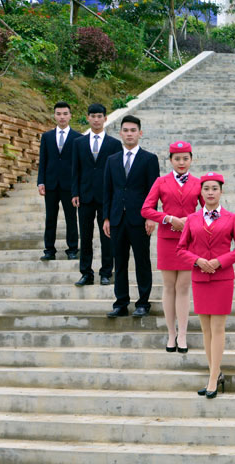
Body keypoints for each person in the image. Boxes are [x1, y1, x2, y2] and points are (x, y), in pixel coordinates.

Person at [177, 172, 235, 398]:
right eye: (206, 188)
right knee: (206, 329)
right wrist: (197, 260)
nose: (210, 192)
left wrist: (220, 261)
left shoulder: (231, 218)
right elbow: (180, 249)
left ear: (221, 191)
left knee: (217, 328)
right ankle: (214, 373)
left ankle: (212, 377)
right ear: (201, 192)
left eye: (214, 189)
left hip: (221, 278)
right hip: (199, 277)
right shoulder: (192, 219)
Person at [141, 141, 202, 353]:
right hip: (167, 239)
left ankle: (183, 334)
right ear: (170, 161)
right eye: (177, 158)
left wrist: (191, 220)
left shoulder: (198, 183)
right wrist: (167, 218)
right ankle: (171, 334)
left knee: (183, 288)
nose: (181, 162)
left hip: (189, 241)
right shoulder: (161, 181)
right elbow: (146, 209)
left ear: (191, 159)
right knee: (168, 287)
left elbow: (207, 210)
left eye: (185, 158)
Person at [102, 115, 160, 318]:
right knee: (120, 262)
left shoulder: (149, 159)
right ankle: (121, 303)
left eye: (133, 130)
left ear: (140, 133)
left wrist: (151, 217)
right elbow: (108, 190)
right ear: (120, 133)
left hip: (140, 219)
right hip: (117, 218)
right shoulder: (112, 160)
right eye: (125, 130)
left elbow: (154, 191)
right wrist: (106, 218)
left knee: (142, 260)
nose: (129, 133)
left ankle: (143, 302)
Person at [71, 103, 122, 287]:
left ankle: (106, 272)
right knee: (85, 236)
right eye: (93, 116)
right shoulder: (78, 143)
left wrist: (117, 196)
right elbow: (75, 169)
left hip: (106, 198)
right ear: (88, 118)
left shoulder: (114, 144)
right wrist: (75, 192)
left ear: (105, 118)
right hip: (84, 196)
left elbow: (118, 174)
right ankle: (86, 273)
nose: (96, 119)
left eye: (99, 116)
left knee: (107, 235)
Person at [38, 101, 81, 261]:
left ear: (70, 115)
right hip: (50, 184)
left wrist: (78, 187)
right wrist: (40, 181)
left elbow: (79, 165)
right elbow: (43, 161)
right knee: (50, 217)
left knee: (71, 218)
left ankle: (72, 249)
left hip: (69, 185)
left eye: (65, 114)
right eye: (58, 114)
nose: (62, 117)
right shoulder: (47, 136)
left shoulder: (78, 138)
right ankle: (49, 250)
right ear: (54, 115)